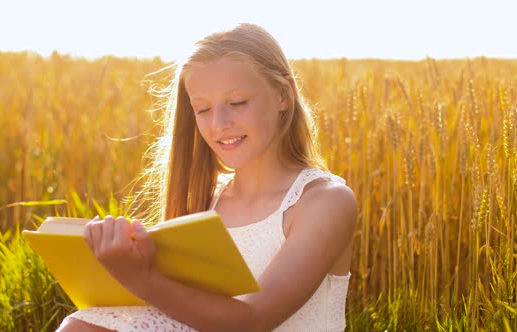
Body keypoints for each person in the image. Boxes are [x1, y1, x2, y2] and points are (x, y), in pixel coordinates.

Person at [57, 23, 357, 332]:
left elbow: (252, 321)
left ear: (283, 94)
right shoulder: (206, 202)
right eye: (202, 109)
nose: (219, 123)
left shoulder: (325, 202)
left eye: (238, 103)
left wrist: (142, 278)